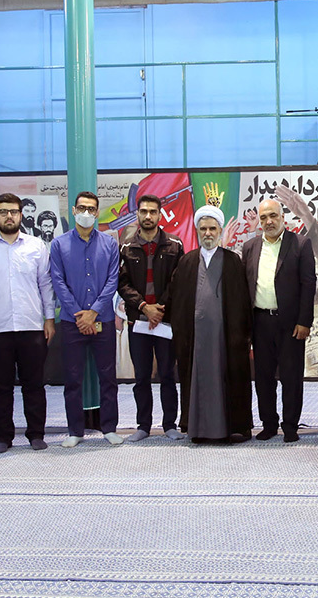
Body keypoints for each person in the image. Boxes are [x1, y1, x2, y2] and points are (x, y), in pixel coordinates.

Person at [162, 205, 253, 443]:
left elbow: (242, 302)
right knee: (197, 381)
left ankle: (229, 429)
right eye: (203, 229)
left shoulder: (233, 261)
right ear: (197, 231)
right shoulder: (187, 262)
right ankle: (198, 429)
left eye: (212, 228)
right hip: (195, 338)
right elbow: (176, 299)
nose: (208, 233)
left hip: (226, 338)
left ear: (220, 231)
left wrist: (243, 335)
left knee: (227, 380)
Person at [0, 193, 55, 453]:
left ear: (21, 215)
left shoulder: (36, 246)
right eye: (3, 212)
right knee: (0, 388)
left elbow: (45, 285)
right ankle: (3, 437)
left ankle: (36, 434)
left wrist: (49, 319)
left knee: (34, 385)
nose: (9, 216)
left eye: (13, 212)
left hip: (31, 326)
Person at [49, 191, 122, 448]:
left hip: (103, 320)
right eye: (82, 208)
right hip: (73, 322)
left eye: (91, 209)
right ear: (73, 210)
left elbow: (113, 280)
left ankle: (109, 428)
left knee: (108, 377)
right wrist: (79, 314)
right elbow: (58, 281)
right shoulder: (59, 245)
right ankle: (75, 430)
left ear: (97, 212)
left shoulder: (110, 244)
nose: (86, 213)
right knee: (72, 379)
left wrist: (94, 312)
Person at [242, 198, 316, 442]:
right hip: (260, 322)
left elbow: (308, 284)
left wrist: (304, 321)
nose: (268, 221)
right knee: (263, 378)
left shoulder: (300, 244)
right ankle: (269, 424)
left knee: (291, 377)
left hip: (291, 324)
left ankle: (291, 426)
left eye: (273, 215)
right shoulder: (250, 247)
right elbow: (244, 286)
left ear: (283, 217)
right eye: (263, 217)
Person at [118, 193, 184, 442]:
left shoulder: (174, 245)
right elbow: (121, 283)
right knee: (142, 377)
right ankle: (143, 425)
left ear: (159, 214)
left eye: (152, 212)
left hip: (165, 321)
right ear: (137, 214)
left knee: (167, 374)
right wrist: (145, 307)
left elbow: (178, 281)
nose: (148, 216)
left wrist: (159, 308)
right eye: (143, 211)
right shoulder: (126, 246)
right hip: (138, 321)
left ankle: (170, 425)